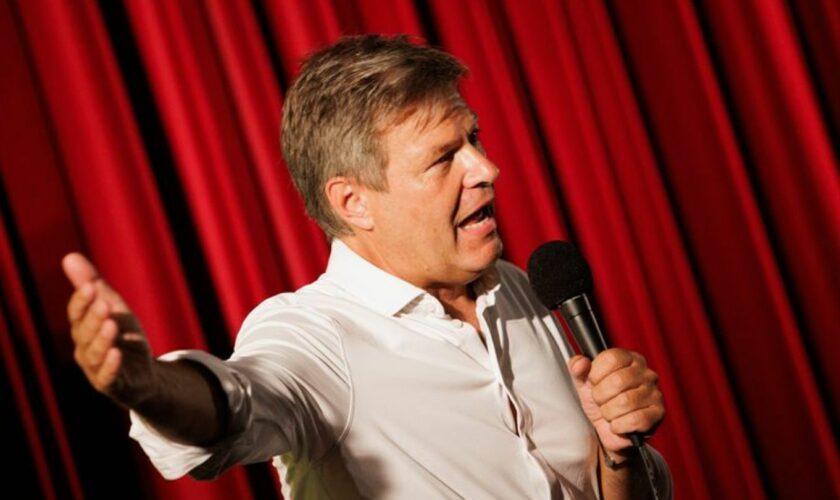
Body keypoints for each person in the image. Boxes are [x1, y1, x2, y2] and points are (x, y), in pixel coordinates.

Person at [62, 34, 671, 499]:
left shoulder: (518, 288)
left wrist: (617, 455)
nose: (487, 169)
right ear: (354, 202)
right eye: (443, 159)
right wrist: (146, 387)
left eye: (474, 139)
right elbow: (236, 401)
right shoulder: (315, 335)